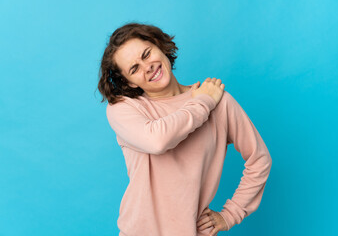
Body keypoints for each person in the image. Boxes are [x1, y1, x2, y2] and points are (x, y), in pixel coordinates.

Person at [97, 22, 272, 236]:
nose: (147, 67)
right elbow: (157, 141)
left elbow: (260, 159)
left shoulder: (220, 102)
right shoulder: (124, 109)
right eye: (134, 69)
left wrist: (230, 214)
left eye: (146, 54)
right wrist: (203, 103)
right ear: (130, 82)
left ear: (159, 46)